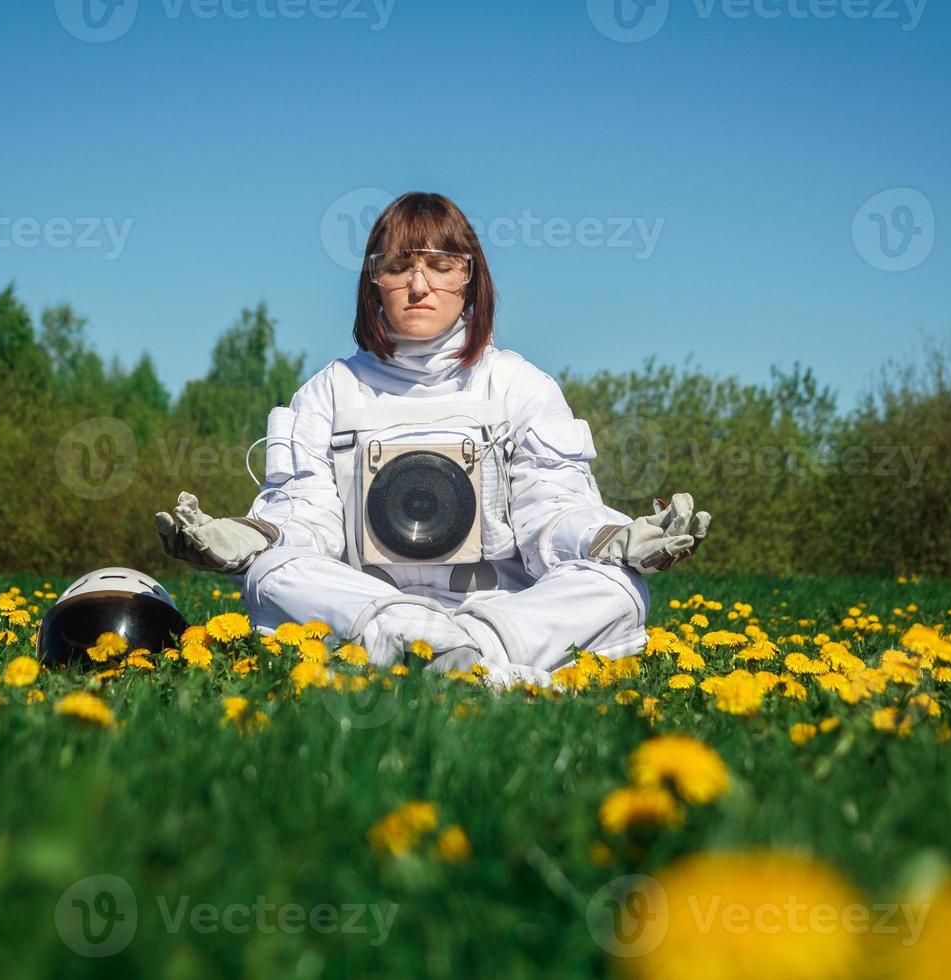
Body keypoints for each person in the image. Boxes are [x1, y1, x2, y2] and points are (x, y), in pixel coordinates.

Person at [155, 191, 710, 687]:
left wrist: (611, 539)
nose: (419, 285)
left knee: (617, 585)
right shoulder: (328, 392)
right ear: (374, 280)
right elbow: (307, 519)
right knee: (272, 575)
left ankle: (467, 649)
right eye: (398, 265)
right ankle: (453, 655)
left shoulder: (519, 385)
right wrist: (252, 538)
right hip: (372, 605)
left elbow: (553, 509)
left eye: (441, 265)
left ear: (470, 277)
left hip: (500, 607)